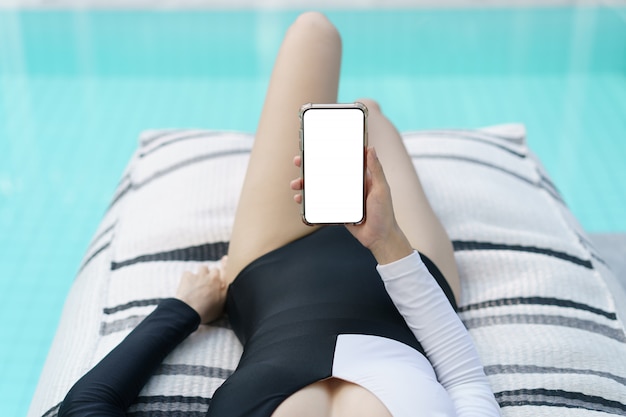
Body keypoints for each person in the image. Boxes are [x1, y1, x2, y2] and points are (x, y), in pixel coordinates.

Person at [59, 11, 501, 417]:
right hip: (406, 261)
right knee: (369, 116)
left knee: (313, 32)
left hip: (271, 269)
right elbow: (464, 379)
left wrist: (183, 309)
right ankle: (368, 113)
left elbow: (88, 404)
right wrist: (388, 242)